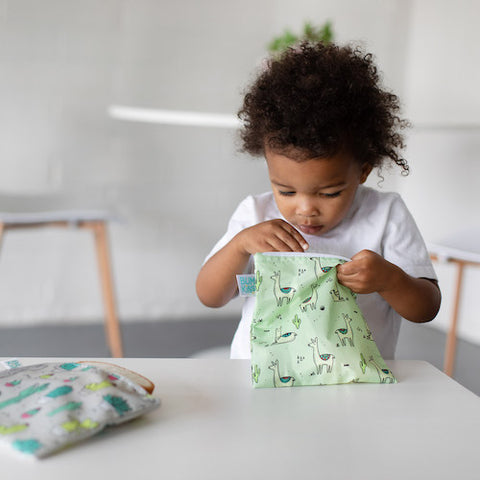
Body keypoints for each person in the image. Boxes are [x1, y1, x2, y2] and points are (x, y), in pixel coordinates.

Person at [196, 42, 441, 359]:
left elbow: (426, 309)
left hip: (356, 381)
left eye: (329, 193)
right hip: (261, 376)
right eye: (285, 191)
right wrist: (240, 245)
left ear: (363, 171)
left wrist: (391, 280)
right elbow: (209, 296)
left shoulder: (385, 214)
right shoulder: (255, 214)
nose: (305, 209)